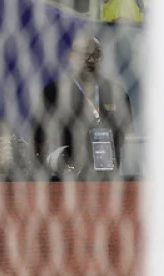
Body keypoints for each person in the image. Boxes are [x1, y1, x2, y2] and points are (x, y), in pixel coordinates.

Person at [33, 35, 133, 179]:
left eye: (96, 54)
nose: (91, 60)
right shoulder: (53, 93)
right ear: (71, 56)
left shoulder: (116, 93)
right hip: (65, 179)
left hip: (107, 179)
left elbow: (126, 136)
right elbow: (38, 140)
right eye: (85, 54)